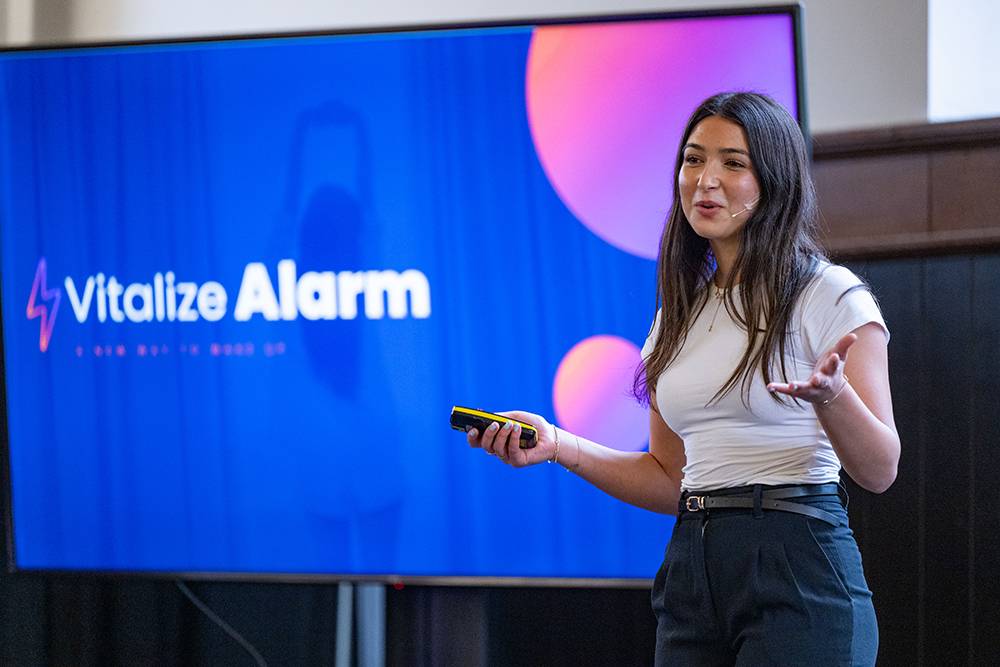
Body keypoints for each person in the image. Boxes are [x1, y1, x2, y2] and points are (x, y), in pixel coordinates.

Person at [465, 91, 899, 666]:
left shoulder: (828, 292)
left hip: (798, 560)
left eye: (733, 163)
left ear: (774, 182)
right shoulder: (680, 313)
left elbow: (880, 469)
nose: (705, 180)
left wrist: (832, 395)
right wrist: (558, 445)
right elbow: (671, 476)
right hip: (694, 566)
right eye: (693, 159)